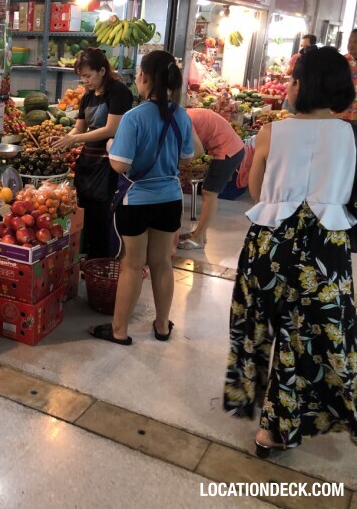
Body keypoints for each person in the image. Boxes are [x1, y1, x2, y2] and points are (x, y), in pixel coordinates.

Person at [223, 46, 357, 456]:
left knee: (265, 329)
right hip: (326, 250)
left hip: (272, 245)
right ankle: (281, 424)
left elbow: (257, 191)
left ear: (303, 84)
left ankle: (270, 421)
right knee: (309, 338)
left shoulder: (272, 132)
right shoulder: (351, 134)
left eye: (294, 80)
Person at [90, 50, 194, 345]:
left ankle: (120, 331)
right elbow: (188, 156)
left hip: (137, 200)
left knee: (132, 265)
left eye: (138, 73)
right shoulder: (181, 114)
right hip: (170, 199)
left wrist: (111, 147)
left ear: (145, 78)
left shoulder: (135, 117)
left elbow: (121, 165)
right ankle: (162, 326)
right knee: (162, 262)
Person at [52, 48, 133, 258]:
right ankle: (84, 258)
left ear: (103, 70)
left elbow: (111, 129)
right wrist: (64, 141)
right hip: (87, 162)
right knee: (82, 211)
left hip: (109, 163)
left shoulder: (119, 92)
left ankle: (100, 261)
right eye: (81, 77)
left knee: (100, 216)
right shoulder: (87, 96)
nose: (84, 81)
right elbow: (79, 128)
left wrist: (74, 139)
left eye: (88, 76)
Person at [177, 109, 245, 250]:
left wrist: (175, 165)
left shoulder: (184, 119)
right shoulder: (182, 114)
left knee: (209, 193)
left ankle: (199, 238)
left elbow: (198, 150)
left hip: (227, 150)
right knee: (209, 192)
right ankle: (199, 234)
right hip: (227, 148)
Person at [343, 28, 357, 122]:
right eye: (349, 41)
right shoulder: (342, 61)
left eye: (356, 42)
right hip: (343, 114)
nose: (351, 45)